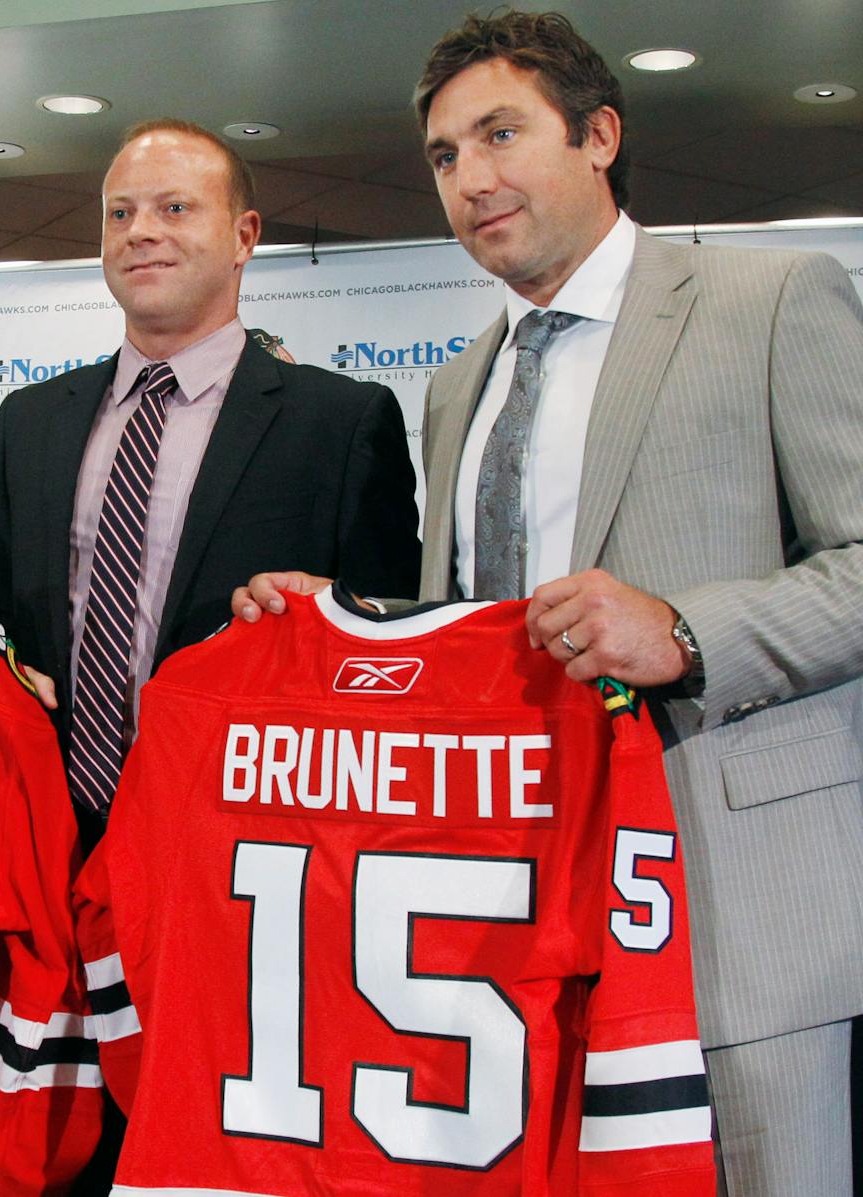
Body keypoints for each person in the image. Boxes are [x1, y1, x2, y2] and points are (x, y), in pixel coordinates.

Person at [235, 11, 863, 1194]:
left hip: (735, 929)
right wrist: (349, 620)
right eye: (441, 156)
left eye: (499, 133)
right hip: (509, 933)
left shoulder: (770, 298)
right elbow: (472, 637)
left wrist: (682, 632)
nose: (469, 178)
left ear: (598, 136)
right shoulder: (456, 383)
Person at [0, 118, 420, 848]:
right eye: (120, 212)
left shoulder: (340, 424)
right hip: (46, 840)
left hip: (243, 849)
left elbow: (387, 652)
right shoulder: (29, 422)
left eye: (174, 208)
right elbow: (8, 630)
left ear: (245, 236)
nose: (140, 231)